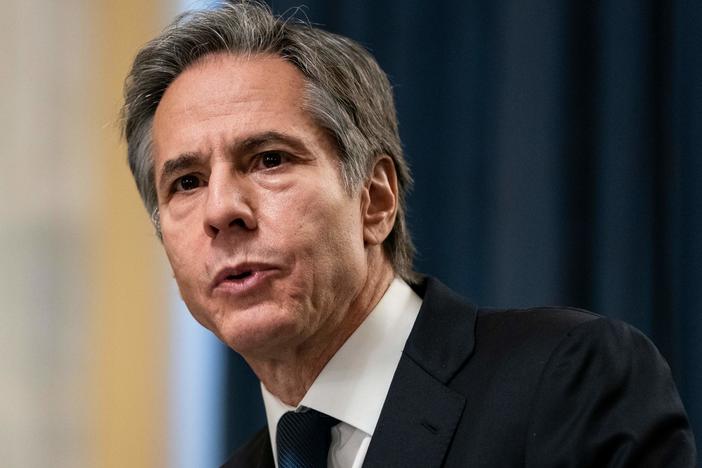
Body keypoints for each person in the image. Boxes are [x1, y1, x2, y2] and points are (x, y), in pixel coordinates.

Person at [121, 1, 696, 466]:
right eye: (187, 182)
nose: (222, 209)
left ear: (376, 200)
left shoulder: (567, 384)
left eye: (269, 160)